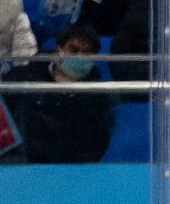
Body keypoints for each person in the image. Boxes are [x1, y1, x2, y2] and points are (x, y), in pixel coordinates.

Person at [2, 23, 114, 163]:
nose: (79, 57)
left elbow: (97, 140)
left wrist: (73, 94)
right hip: (22, 160)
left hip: (69, 167)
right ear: (57, 51)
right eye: (73, 50)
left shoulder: (98, 94)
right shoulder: (25, 74)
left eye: (87, 54)